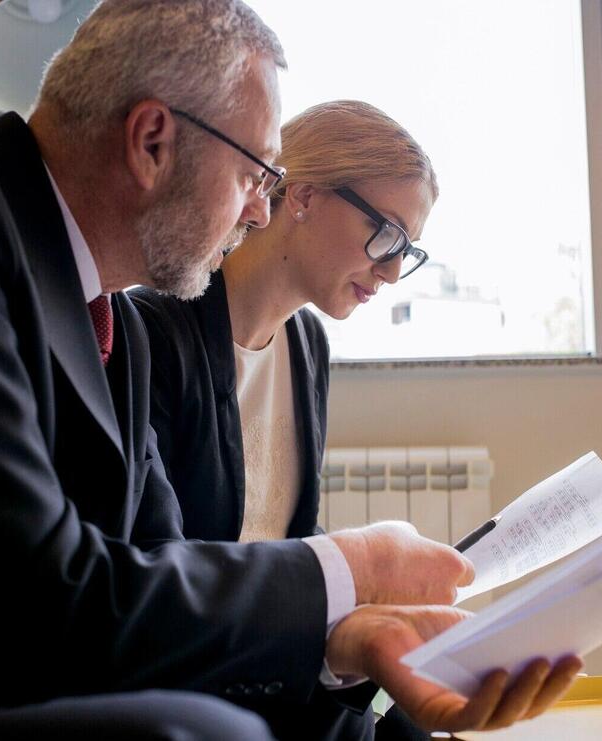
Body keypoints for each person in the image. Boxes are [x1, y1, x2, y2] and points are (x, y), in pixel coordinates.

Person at [0, 1, 580, 739]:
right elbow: (32, 599)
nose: (258, 208)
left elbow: (156, 582)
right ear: (151, 140)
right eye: (256, 173)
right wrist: (347, 567)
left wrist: (343, 643)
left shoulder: (117, 334)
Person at [130, 99, 456, 740]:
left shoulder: (306, 344)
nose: (392, 272)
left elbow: (289, 530)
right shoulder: (153, 331)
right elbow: (159, 566)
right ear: (302, 195)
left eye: (407, 250)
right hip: (208, 679)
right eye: (386, 235)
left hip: (290, 668)